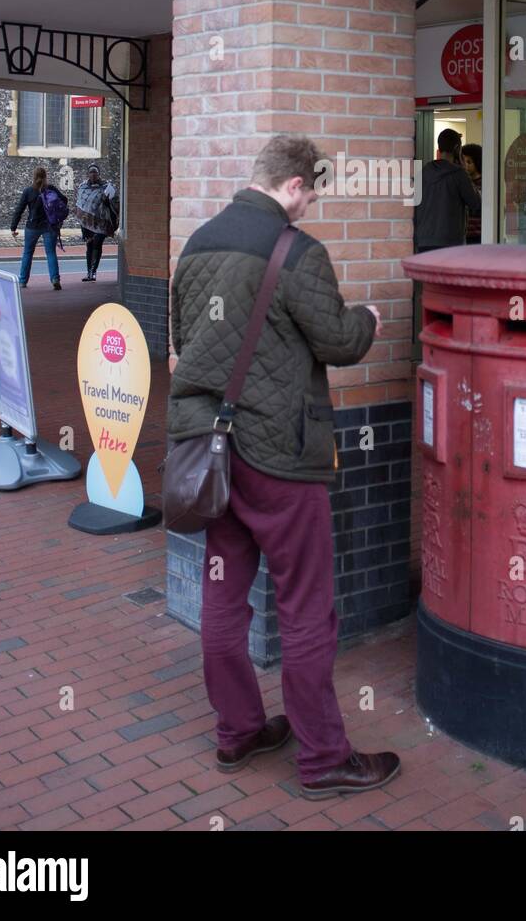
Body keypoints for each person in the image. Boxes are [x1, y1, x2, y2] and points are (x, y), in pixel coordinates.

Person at [168, 134, 401, 799]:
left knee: (223, 593)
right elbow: (335, 339)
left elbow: (185, 341)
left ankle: (238, 731)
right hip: (279, 455)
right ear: (295, 185)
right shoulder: (298, 252)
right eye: (314, 192)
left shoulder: (199, 241)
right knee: (305, 606)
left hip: (207, 450)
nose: (314, 204)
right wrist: (369, 319)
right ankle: (324, 756)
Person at [414, 128, 481, 252]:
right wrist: (464, 170)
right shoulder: (459, 174)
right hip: (450, 242)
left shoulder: (423, 172)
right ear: (457, 149)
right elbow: (476, 202)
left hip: (424, 241)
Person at [10, 166, 66, 291]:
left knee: (28, 253)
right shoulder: (51, 189)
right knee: (51, 253)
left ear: (33, 177)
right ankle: (55, 279)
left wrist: (13, 227)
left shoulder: (28, 191)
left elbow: (19, 210)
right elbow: (64, 200)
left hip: (32, 226)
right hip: (49, 226)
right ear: (45, 176)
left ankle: (23, 281)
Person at [75, 164, 119, 281]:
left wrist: (107, 202)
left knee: (97, 243)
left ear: (99, 174)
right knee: (89, 245)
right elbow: (80, 207)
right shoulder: (83, 187)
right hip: (88, 223)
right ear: (88, 174)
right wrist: (83, 228)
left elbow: (116, 204)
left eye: (95, 172)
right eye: (91, 172)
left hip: (101, 222)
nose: (93, 174)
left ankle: (93, 272)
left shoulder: (106, 187)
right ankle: (89, 273)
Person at [462, 142, 483, 245]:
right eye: (463, 161)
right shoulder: (462, 182)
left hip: (478, 235)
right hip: (464, 235)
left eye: (469, 162)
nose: (465, 165)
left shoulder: (485, 184)